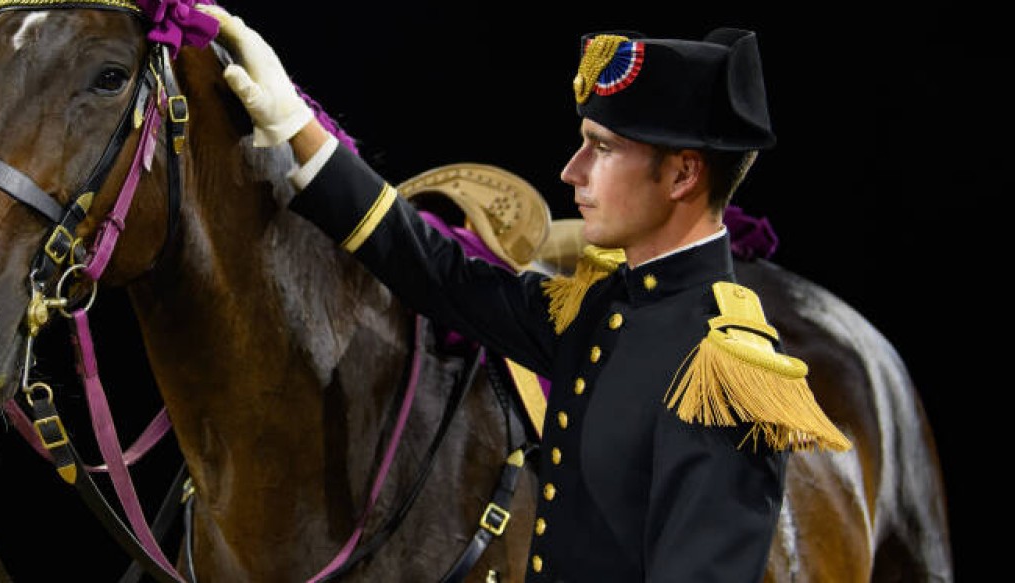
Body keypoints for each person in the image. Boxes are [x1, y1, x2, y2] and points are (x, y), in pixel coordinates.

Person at [197, 4, 851, 581]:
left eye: (602, 149)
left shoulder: (725, 374)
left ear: (682, 173)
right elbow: (443, 275)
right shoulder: (601, 306)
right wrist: (296, 125)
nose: (571, 171)